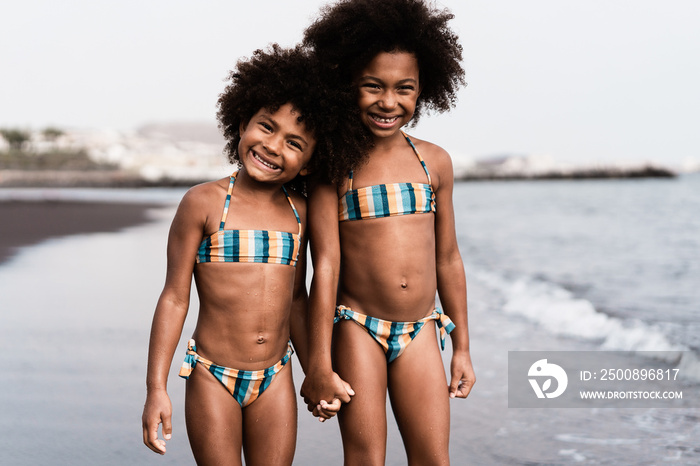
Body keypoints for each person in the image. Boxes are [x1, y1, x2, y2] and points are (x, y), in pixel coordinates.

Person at [141, 44, 368, 465]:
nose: (273, 146)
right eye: (266, 127)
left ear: (307, 164)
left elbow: (297, 300)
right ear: (242, 122)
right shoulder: (203, 203)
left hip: (276, 374)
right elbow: (174, 297)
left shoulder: (299, 214)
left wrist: (316, 371)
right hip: (212, 373)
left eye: (294, 143)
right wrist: (157, 388)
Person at [299, 0, 476, 464]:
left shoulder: (433, 161)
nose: (388, 102)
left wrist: (462, 348)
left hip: (421, 327)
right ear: (347, 85)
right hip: (358, 327)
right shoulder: (333, 168)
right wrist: (318, 362)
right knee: (364, 459)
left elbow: (448, 259)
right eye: (372, 86)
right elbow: (326, 266)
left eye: (405, 89)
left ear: (425, 90)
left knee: (434, 458)